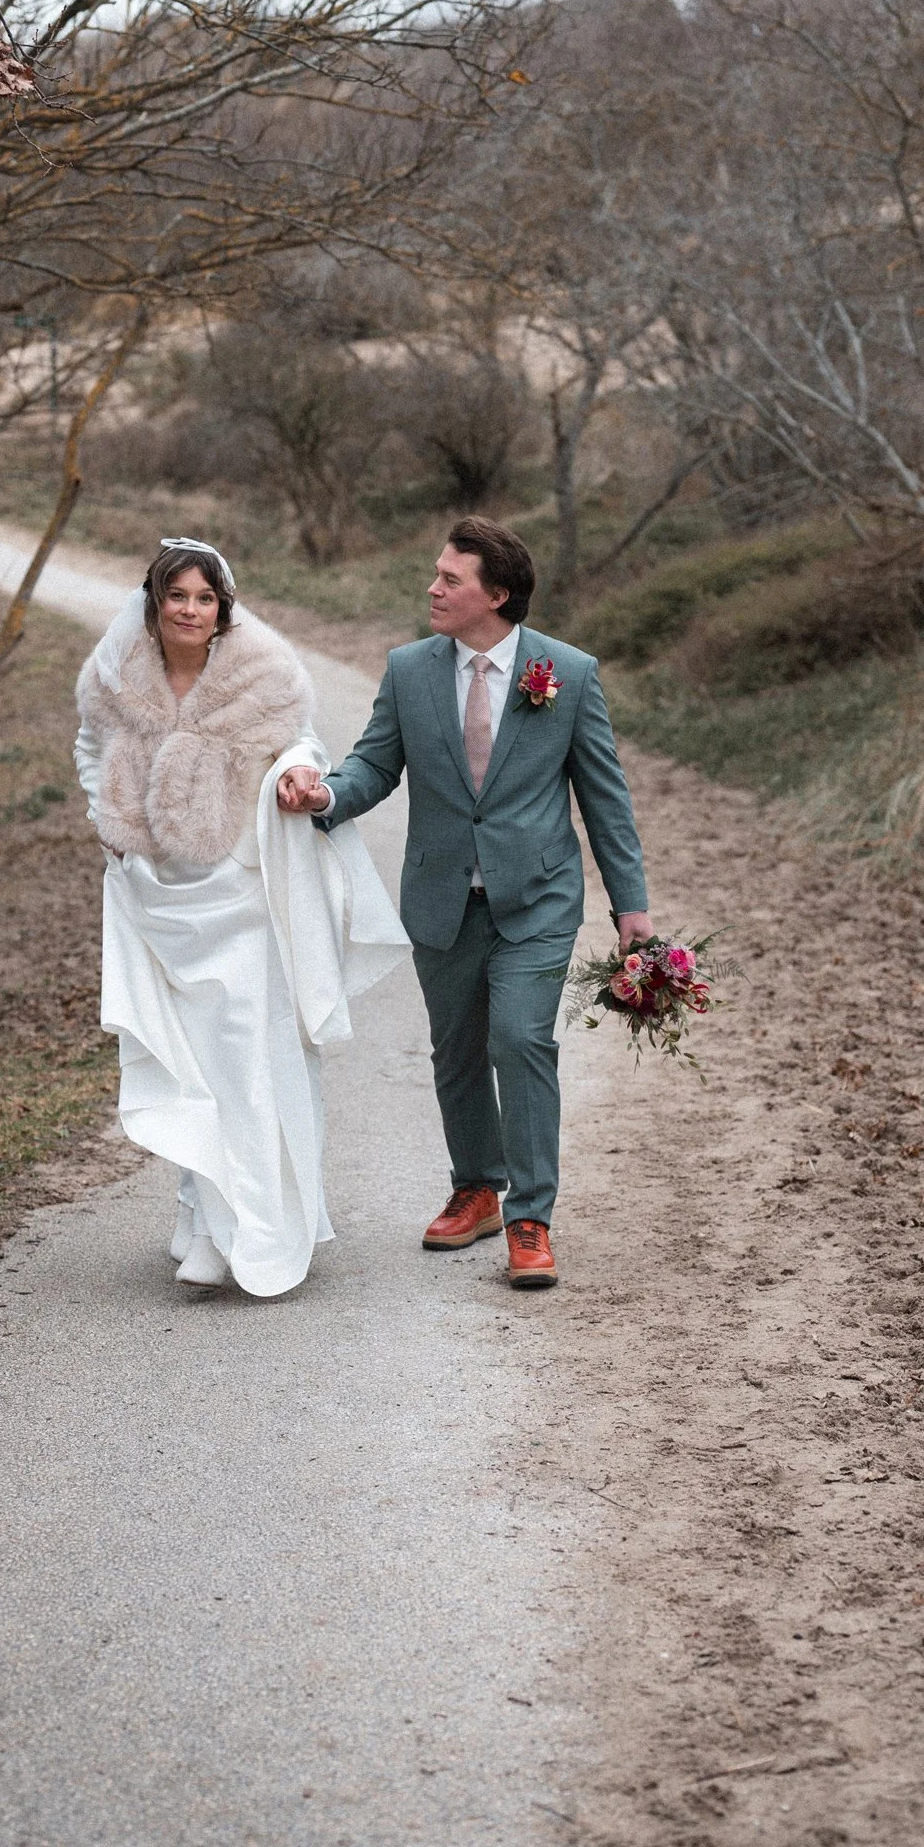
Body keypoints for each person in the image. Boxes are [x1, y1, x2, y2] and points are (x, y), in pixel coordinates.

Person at [277, 516, 651, 1291]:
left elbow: (604, 800)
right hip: (442, 896)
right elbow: (373, 766)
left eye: (450, 579)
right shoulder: (410, 670)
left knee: (519, 1041)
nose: (432, 588)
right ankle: (476, 1188)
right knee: (456, 1052)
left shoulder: (568, 674)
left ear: (497, 594)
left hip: (537, 896)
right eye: (436, 574)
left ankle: (529, 1218)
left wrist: (630, 908)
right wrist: (323, 795)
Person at [75, 539, 407, 1297]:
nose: (190, 610)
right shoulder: (114, 676)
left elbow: (298, 738)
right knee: (187, 1063)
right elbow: (90, 747)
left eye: (205, 598)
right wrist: (108, 822)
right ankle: (202, 1217)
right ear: (153, 600)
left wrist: (297, 767)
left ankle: (254, 1229)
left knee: (245, 1061)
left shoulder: (263, 671)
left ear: (222, 607)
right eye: (177, 596)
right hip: (157, 892)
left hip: (237, 894)